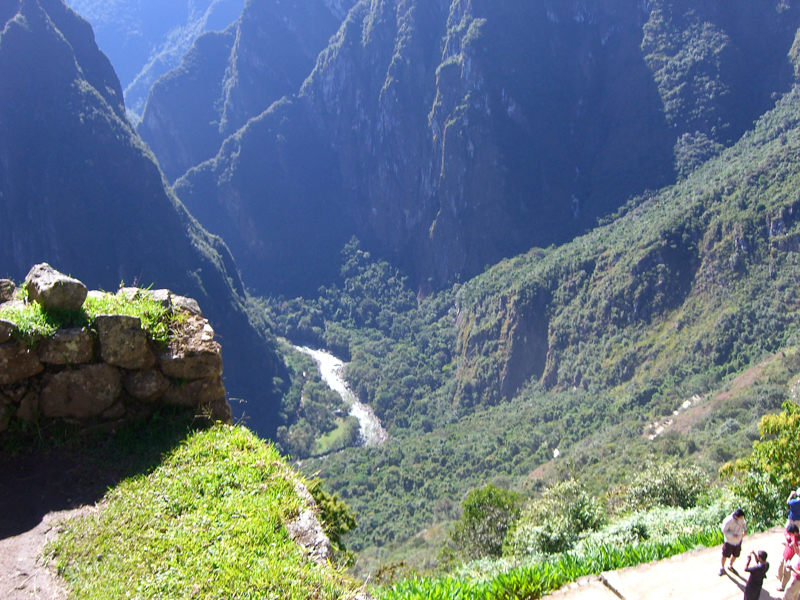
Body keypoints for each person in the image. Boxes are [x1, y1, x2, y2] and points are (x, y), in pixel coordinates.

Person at [720, 508, 746, 576]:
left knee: (735, 555)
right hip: (729, 541)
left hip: (738, 540)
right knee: (724, 555)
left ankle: (730, 566)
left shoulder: (741, 519)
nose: (742, 518)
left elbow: (743, 523)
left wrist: (745, 530)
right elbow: (724, 531)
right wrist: (732, 535)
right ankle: (722, 568)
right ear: (736, 516)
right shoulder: (728, 521)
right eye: (740, 517)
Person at [778, 523, 800, 591]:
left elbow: (797, 552)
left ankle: (783, 586)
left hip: (790, 559)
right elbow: (785, 531)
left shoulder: (798, 540)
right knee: (781, 568)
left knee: (786, 573)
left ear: (795, 532)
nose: (789, 534)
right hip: (786, 554)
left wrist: (794, 545)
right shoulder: (791, 535)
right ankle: (781, 580)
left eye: (790, 533)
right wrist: (787, 536)